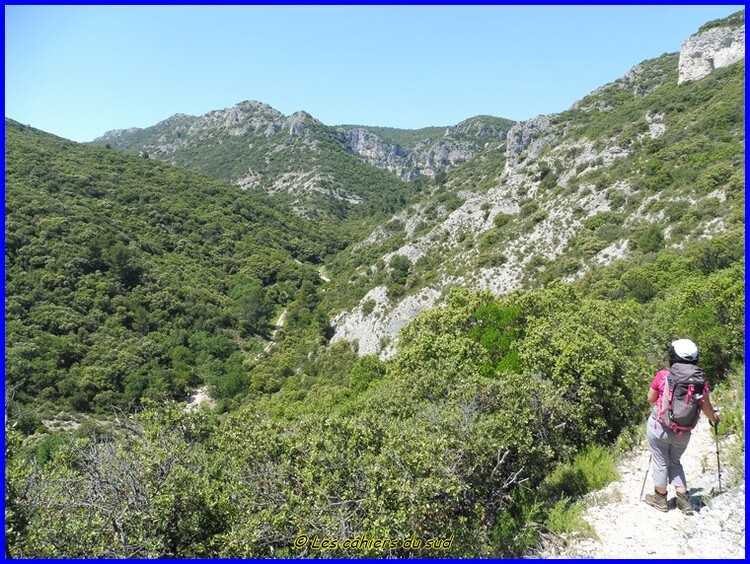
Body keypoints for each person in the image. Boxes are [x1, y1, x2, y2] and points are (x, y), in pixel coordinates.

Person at [643, 338, 720, 515]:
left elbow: (650, 398)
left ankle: (660, 499)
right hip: (684, 432)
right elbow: (706, 406)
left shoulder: (664, 375)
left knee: (661, 461)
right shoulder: (700, 380)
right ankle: (683, 501)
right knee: (675, 462)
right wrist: (715, 418)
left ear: (673, 356)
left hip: (660, 427)